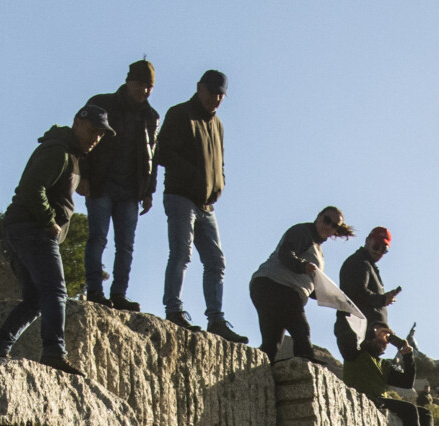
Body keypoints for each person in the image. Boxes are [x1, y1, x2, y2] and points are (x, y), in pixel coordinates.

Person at [0, 104, 111, 374]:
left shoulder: (70, 153)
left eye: (101, 134)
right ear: (78, 123)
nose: (96, 138)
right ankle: (54, 352)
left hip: (21, 228)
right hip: (33, 229)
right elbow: (31, 187)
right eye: (93, 130)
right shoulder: (59, 152)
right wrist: (48, 221)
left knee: (34, 299)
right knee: (55, 291)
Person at [154, 69, 246, 341]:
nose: (216, 99)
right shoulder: (180, 114)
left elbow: (220, 161)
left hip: (206, 204)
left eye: (221, 95)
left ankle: (216, 319)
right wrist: (194, 175)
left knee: (216, 261)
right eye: (212, 93)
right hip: (180, 196)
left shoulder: (218, 125)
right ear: (199, 88)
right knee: (181, 253)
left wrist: (219, 182)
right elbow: (163, 153)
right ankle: (173, 309)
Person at [83, 60, 159, 311]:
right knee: (98, 238)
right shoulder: (101, 104)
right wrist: (82, 176)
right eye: (140, 84)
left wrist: (149, 191)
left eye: (149, 86)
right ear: (128, 82)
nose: (144, 91)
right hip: (100, 183)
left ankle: (119, 294)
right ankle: (94, 290)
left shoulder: (151, 116)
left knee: (125, 246)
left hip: (131, 190)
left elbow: (153, 156)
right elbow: (82, 139)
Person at [250, 206, 355, 362]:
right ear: (318, 217)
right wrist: (302, 265)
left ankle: (254, 371)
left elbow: (309, 286)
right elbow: (286, 253)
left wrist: (334, 297)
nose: (328, 226)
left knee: (272, 343)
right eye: (327, 220)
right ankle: (305, 366)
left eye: (334, 226)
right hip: (276, 286)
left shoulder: (317, 249)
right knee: (301, 331)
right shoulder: (304, 232)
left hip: (273, 288)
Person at [334, 225, 401, 358]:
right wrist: (383, 299)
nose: (379, 251)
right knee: (362, 368)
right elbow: (357, 292)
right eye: (376, 246)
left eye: (384, 249)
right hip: (357, 333)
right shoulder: (359, 262)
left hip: (365, 335)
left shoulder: (367, 265)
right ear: (367, 241)